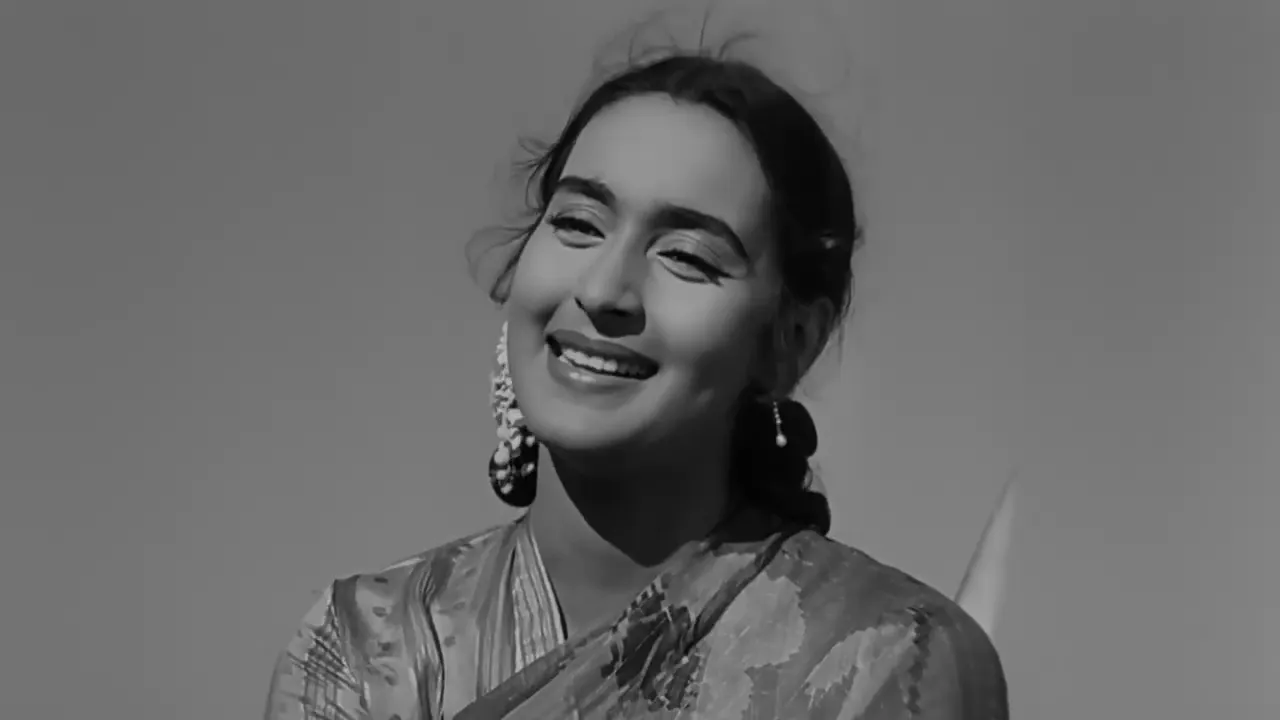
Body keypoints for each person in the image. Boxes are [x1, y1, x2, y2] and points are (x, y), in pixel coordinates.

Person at [263, 41, 1009, 720]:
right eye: (578, 224)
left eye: (685, 256)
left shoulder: (886, 659)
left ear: (790, 342)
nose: (603, 290)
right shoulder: (367, 645)